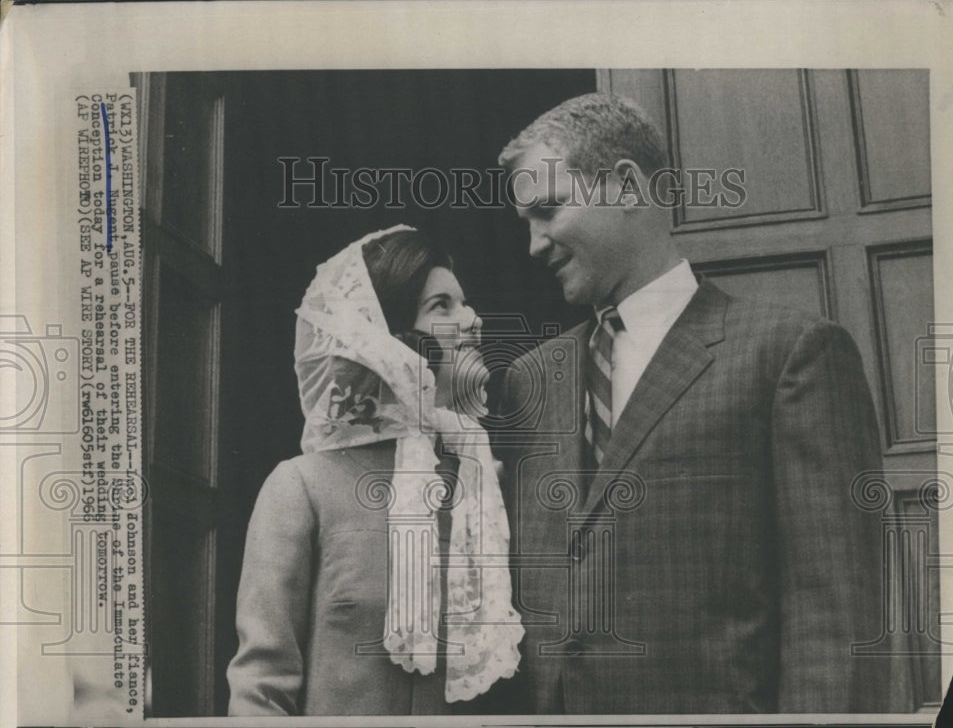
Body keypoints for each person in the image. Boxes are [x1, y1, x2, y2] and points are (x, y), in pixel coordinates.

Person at [492, 93, 888, 713]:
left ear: (625, 186)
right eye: (527, 222)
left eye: (548, 209)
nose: (536, 244)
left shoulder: (789, 355)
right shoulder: (529, 380)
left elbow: (835, 616)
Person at [226, 225, 523, 715]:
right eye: (441, 307)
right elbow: (260, 691)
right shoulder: (303, 488)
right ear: (385, 339)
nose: (473, 320)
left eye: (464, 303)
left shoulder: (484, 491)